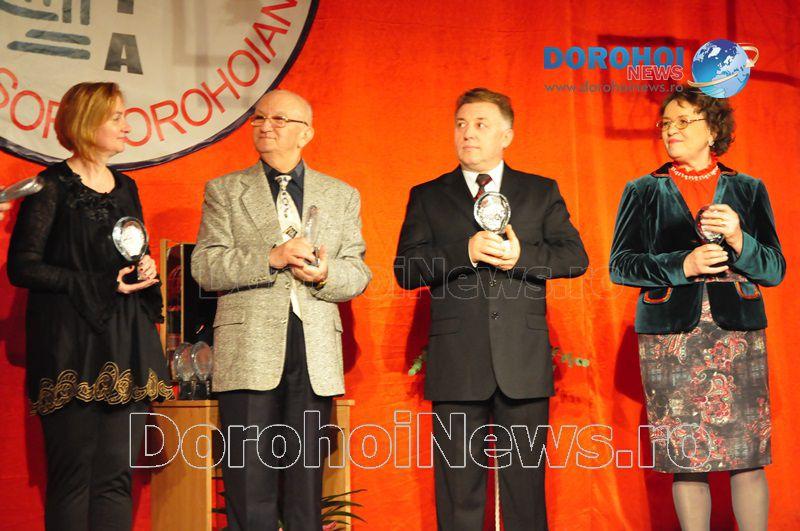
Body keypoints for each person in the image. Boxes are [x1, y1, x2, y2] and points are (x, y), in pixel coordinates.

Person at [394, 87, 588, 531]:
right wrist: (463, 251)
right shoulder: (428, 195)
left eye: (480, 124)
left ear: (507, 135)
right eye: (461, 124)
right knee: (458, 493)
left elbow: (575, 258)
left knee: (525, 494)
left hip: (522, 359)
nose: (468, 133)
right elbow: (405, 270)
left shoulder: (539, 191)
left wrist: (522, 258)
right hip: (457, 362)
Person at [191, 89, 371, 531]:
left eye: (279, 119)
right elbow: (205, 267)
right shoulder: (225, 190)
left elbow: (358, 272)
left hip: (314, 354)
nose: (265, 126)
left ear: (306, 133)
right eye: (258, 118)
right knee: (249, 485)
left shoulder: (341, 194)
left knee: (305, 490)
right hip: (247, 350)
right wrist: (271, 257)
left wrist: (326, 274)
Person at [609, 90, 785, 531]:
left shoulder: (748, 188)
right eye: (666, 123)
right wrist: (682, 265)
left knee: (747, 455)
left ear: (712, 130)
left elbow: (774, 269)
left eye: (683, 121)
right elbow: (621, 265)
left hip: (737, 335)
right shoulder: (642, 190)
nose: (671, 130)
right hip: (671, 338)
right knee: (687, 458)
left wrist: (740, 239)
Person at [7, 82, 173, 530]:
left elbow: (130, 248)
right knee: (73, 478)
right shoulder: (50, 186)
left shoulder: (127, 186)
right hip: (70, 345)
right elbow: (23, 267)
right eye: (116, 117)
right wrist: (100, 283)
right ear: (87, 122)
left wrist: (145, 267)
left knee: (117, 477)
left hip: (125, 343)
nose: (127, 125)